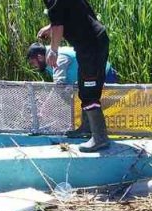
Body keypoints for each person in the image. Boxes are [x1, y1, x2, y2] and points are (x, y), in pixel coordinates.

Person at [38, 0, 112, 152]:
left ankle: (100, 138)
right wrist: (50, 27)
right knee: (83, 87)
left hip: (91, 46)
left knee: (89, 92)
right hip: (89, 44)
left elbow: (59, 26)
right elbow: (71, 14)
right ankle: (87, 128)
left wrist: (53, 51)